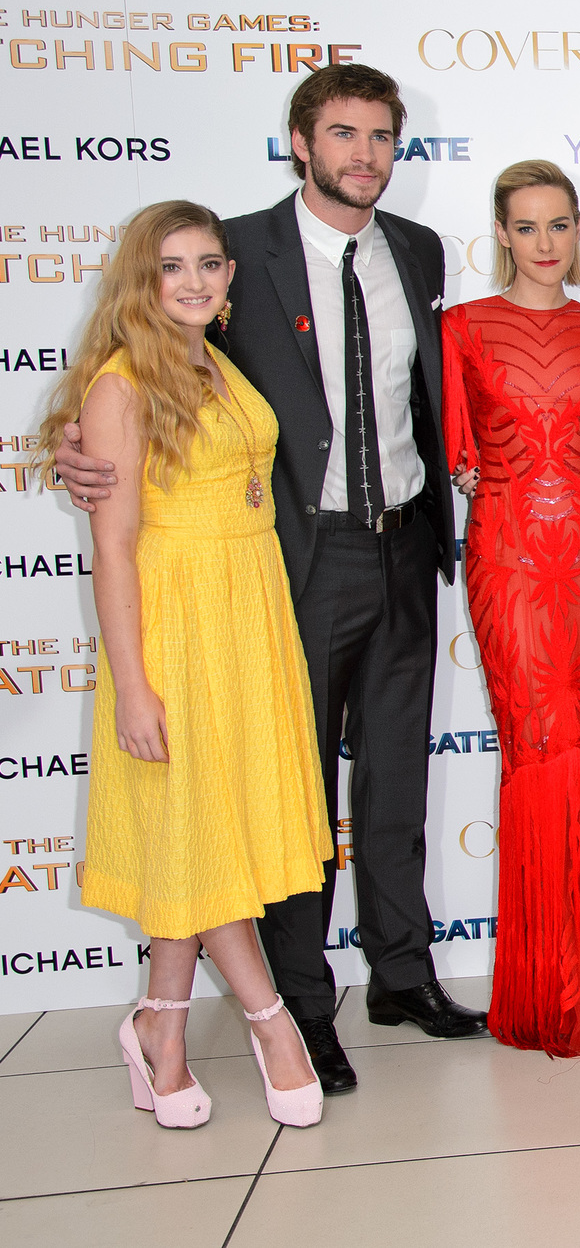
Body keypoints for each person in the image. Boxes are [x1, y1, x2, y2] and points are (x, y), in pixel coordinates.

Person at [55, 63, 485, 1096]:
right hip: (288, 562)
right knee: (291, 795)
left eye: (382, 137)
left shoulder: (417, 250)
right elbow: (145, 363)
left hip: (402, 544)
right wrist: (79, 442)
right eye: (342, 135)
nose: (364, 156)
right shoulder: (233, 248)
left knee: (395, 775)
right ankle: (299, 998)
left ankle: (400, 973)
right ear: (300, 143)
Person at [40, 200, 327, 1127]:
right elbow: (113, 546)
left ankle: (160, 1027)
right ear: (141, 279)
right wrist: (132, 684)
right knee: (199, 826)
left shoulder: (212, 360)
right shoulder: (123, 386)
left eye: (210, 263)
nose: (196, 280)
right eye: (173, 267)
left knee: (203, 825)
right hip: (175, 623)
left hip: (248, 611)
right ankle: (270, 1019)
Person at [442, 160, 580, 1056]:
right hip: (510, 559)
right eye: (528, 227)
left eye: (560, 225)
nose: (545, 244)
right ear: (500, 233)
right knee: (537, 747)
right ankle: (549, 979)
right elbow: (450, 453)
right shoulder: (460, 328)